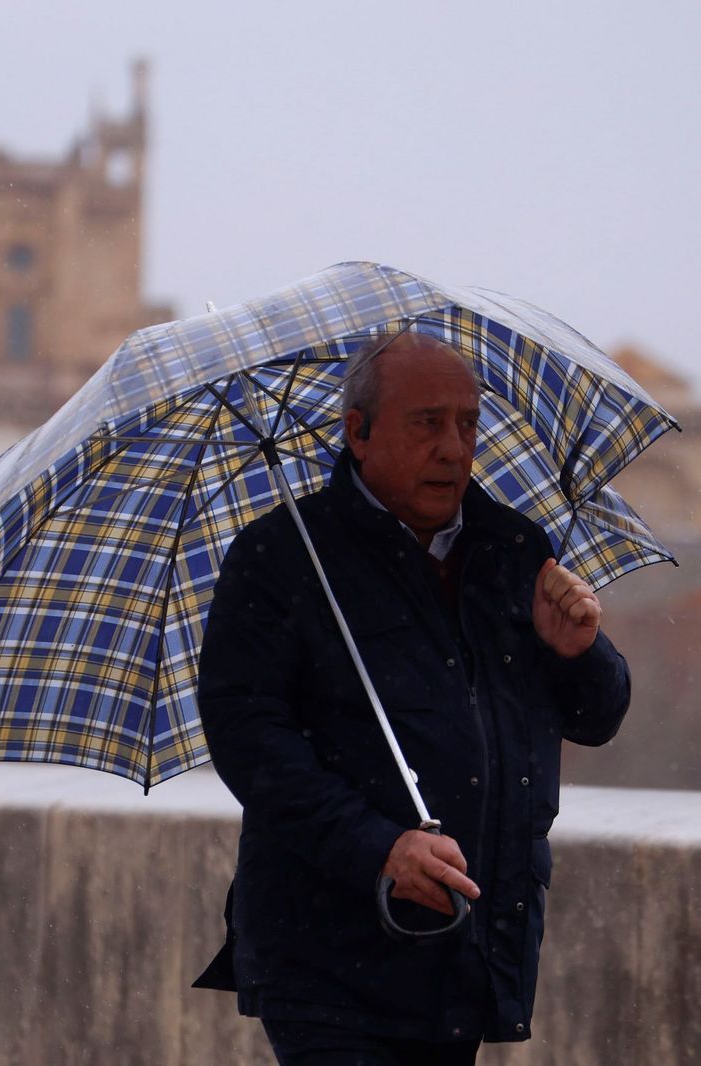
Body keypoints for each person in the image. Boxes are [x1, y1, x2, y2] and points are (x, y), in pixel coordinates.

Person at [194, 331, 632, 1064]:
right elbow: (249, 738)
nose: (455, 449)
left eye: (467, 423)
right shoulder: (284, 557)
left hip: (467, 948)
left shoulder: (514, 549)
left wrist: (581, 653)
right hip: (329, 955)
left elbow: (598, 718)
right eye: (427, 423)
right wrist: (381, 848)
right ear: (357, 433)